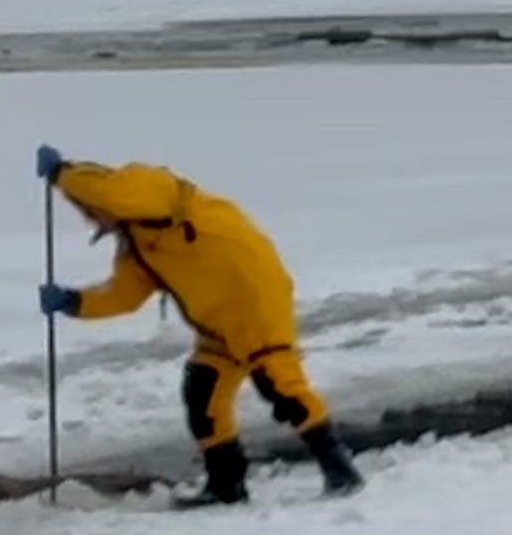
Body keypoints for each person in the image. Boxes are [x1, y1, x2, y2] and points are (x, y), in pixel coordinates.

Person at [34, 143, 363, 507]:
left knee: (282, 387)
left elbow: (113, 191)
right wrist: (73, 302)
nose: (97, 222)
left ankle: (340, 470)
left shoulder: (151, 189)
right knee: (203, 394)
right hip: (217, 324)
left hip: (254, 300)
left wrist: (62, 174)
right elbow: (124, 296)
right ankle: (226, 485)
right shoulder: (138, 245)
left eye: (94, 213)